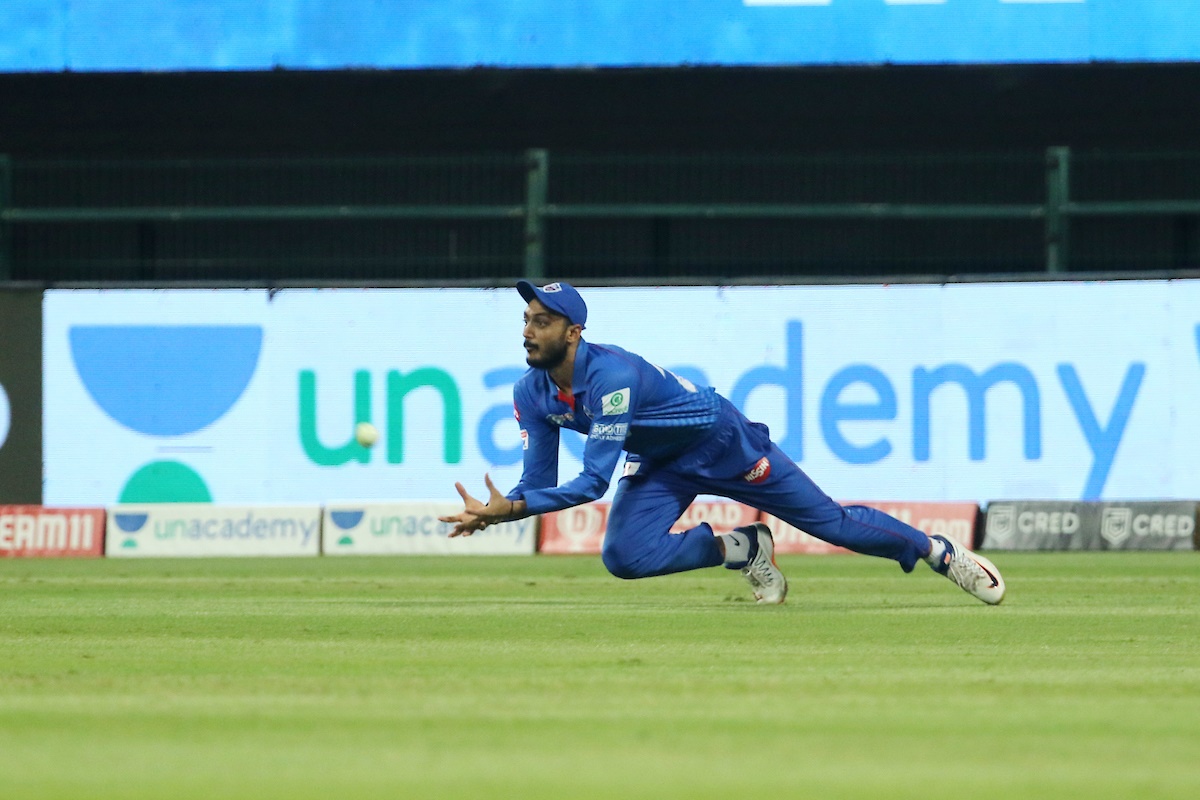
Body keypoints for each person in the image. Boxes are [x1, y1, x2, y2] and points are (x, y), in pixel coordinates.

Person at [440, 280, 1006, 606]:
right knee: (623, 556)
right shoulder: (530, 393)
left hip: (721, 441)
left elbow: (592, 482)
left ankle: (940, 554)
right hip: (662, 460)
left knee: (830, 524)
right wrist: (504, 509)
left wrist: (513, 509)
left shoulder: (611, 377)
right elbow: (536, 483)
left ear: (573, 331)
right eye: (525, 319)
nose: (527, 331)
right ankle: (744, 548)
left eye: (542, 321)